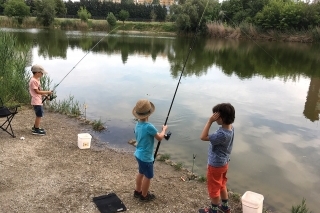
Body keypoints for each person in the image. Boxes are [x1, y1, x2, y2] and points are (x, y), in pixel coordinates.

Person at [199, 103, 235, 213]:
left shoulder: (222, 134)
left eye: (216, 115)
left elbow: (203, 137)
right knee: (222, 184)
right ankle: (225, 206)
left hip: (215, 165)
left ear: (222, 118)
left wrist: (210, 121)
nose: (213, 117)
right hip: (224, 163)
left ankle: (213, 210)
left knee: (214, 188)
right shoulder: (231, 128)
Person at [132, 99, 168, 202]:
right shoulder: (149, 126)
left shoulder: (137, 124)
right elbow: (160, 138)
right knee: (148, 176)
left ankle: (137, 191)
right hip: (146, 157)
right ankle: (144, 195)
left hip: (138, 154)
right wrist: (164, 129)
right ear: (149, 114)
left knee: (140, 173)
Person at [29, 64, 53, 136]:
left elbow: (40, 90)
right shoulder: (33, 81)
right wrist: (48, 92)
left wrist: (46, 96)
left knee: (39, 115)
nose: (42, 74)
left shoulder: (37, 80)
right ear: (37, 72)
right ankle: (36, 130)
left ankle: (35, 127)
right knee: (39, 115)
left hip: (38, 100)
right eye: (42, 73)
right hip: (36, 101)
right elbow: (37, 92)